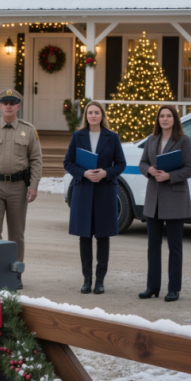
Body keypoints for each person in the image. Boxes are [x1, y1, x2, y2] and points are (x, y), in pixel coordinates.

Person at [0, 89, 43, 289]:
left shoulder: (28, 130)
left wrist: (34, 186)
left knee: (17, 233)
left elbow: (36, 160)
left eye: (12, 103)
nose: (9, 106)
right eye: (5, 102)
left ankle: (15, 271)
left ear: (18, 106)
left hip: (18, 188)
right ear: (0, 105)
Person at [63, 101, 126, 295]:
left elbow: (120, 164)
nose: (93, 115)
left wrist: (106, 173)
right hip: (83, 191)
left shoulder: (112, 137)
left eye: (96, 112)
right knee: (84, 236)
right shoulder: (77, 136)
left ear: (102, 115)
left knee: (103, 235)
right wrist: (84, 173)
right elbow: (68, 162)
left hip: (105, 191)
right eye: (90, 112)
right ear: (86, 116)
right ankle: (86, 279)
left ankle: (100, 281)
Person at [138, 105, 191, 302]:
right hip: (153, 200)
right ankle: (152, 287)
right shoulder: (152, 140)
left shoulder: (183, 141)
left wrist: (169, 176)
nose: (164, 119)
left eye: (168, 116)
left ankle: (174, 289)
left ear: (174, 119)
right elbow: (142, 163)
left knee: (175, 247)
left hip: (175, 199)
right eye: (161, 116)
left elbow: (190, 168)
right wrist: (149, 171)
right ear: (158, 119)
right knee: (153, 246)